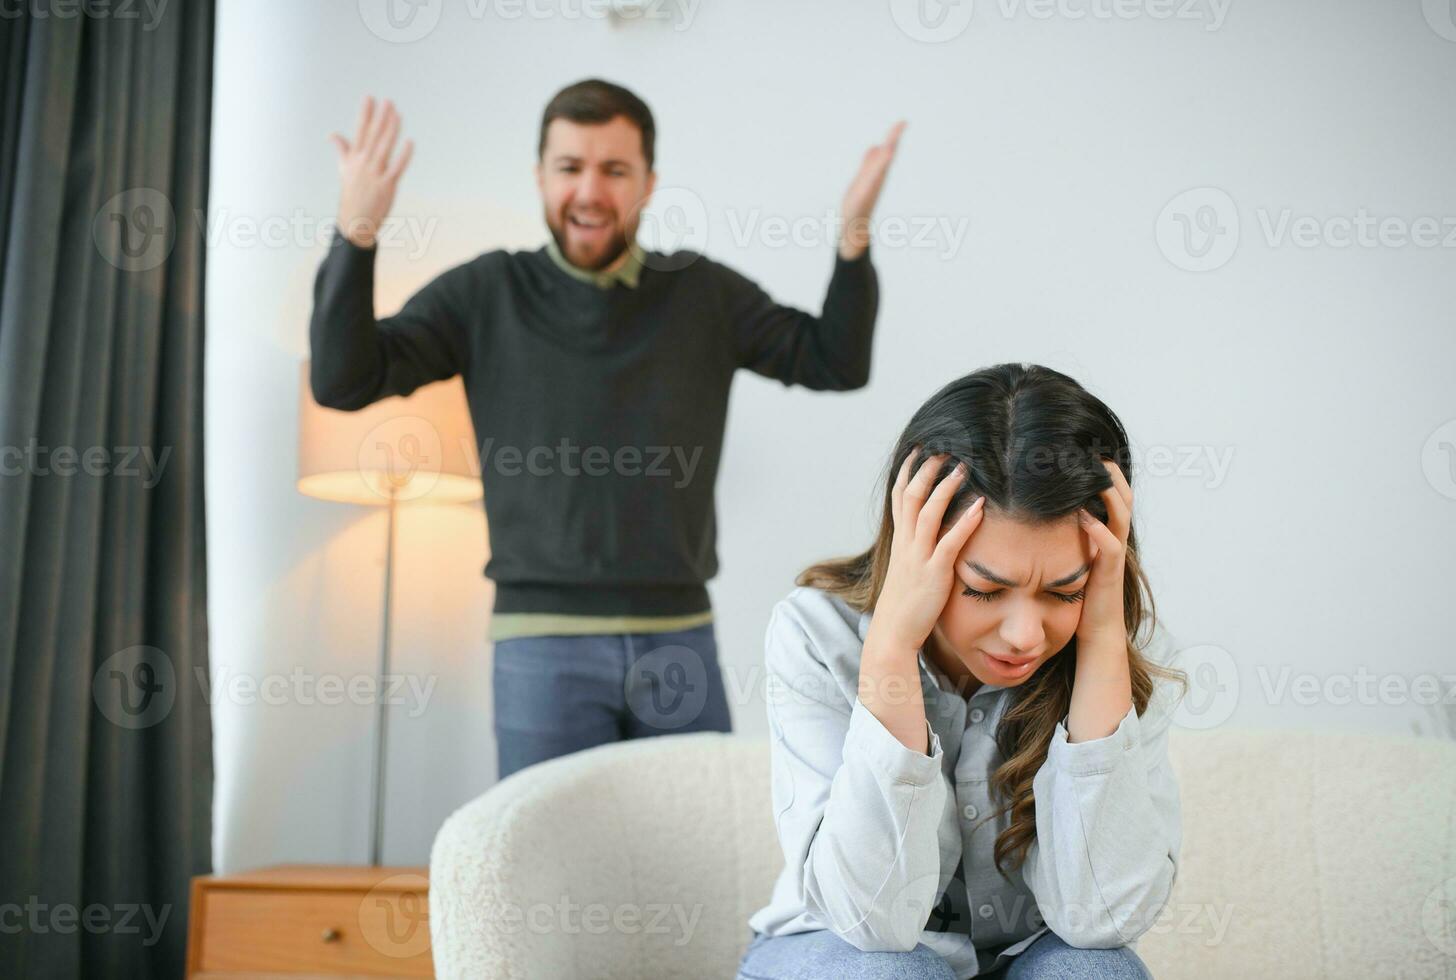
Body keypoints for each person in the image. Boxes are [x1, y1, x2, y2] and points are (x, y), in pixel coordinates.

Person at [309, 79, 903, 779]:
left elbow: (834, 360)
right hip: (540, 647)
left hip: (676, 642)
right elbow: (343, 381)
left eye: (613, 170)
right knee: (548, 869)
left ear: (647, 183)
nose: (589, 191)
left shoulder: (700, 292)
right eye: (570, 168)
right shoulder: (485, 293)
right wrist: (357, 232)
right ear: (540, 177)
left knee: (695, 867)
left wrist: (853, 235)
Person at [739, 363, 1188, 979]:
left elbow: (1101, 919)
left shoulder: (1113, 650)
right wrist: (893, 647)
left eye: (1065, 591)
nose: (1025, 635)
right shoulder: (817, 634)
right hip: (840, 952)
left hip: (1019, 958)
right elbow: (872, 924)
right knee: (894, 975)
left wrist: (1104, 641)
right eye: (983, 589)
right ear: (916, 545)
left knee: (1097, 971)